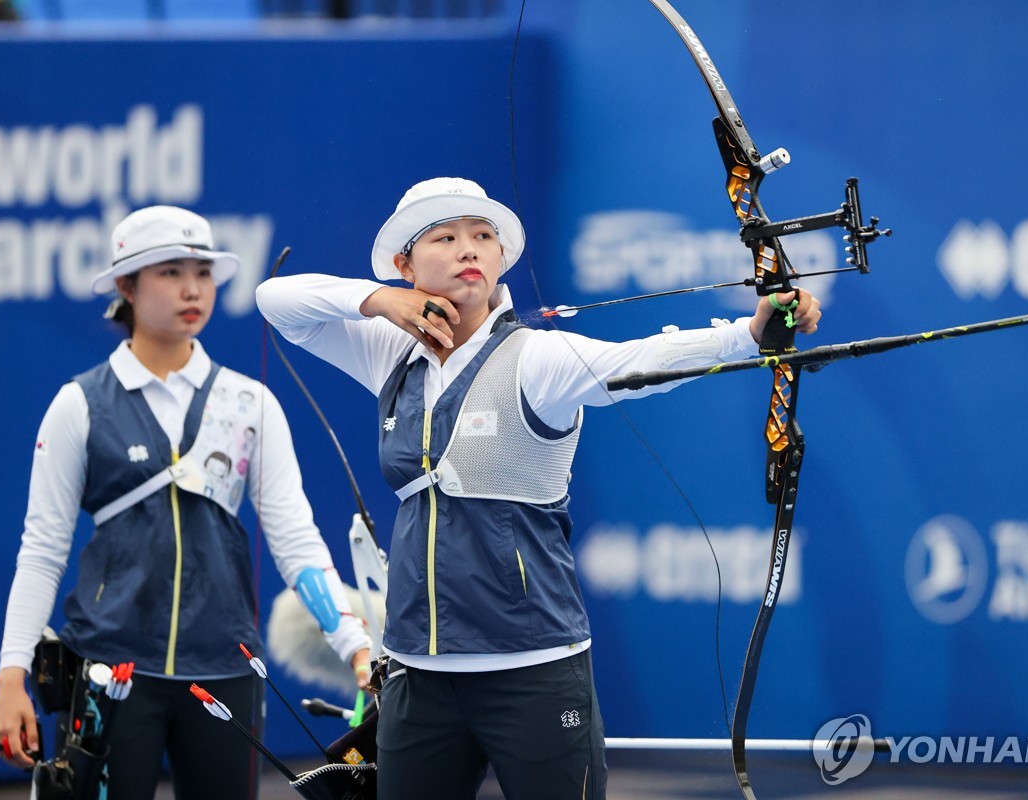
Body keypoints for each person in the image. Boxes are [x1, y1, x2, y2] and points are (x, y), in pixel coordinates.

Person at [255, 177, 823, 800]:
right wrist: (379, 302)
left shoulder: (536, 358)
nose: (469, 248)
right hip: (418, 673)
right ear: (405, 264)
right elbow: (275, 299)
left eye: (482, 236)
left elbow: (635, 362)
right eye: (444, 237)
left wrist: (745, 334)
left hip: (532, 670)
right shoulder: (389, 351)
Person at [0, 206, 372, 799]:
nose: (192, 288)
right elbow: (42, 549)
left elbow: (296, 540)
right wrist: (11, 675)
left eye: (203, 271)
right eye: (169, 272)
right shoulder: (79, 404)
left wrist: (356, 649)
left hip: (225, 670)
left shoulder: (250, 403)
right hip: (110, 675)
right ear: (126, 286)